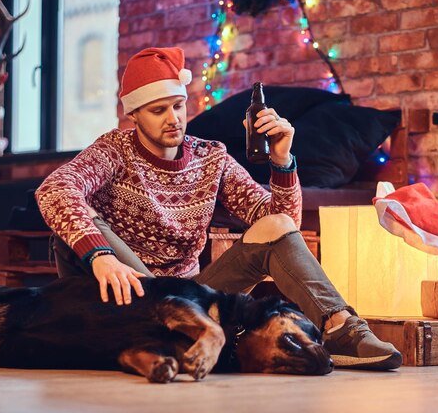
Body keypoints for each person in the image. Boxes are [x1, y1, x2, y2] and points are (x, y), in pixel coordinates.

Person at [36, 47, 402, 371]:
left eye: (178, 106)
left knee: (274, 226)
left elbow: (282, 224)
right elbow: (55, 188)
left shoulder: (210, 156)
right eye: (158, 110)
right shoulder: (114, 149)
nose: (173, 119)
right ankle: (150, 339)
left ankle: (342, 328)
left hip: (191, 298)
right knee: (73, 225)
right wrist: (100, 255)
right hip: (129, 294)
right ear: (135, 115)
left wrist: (282, 160)